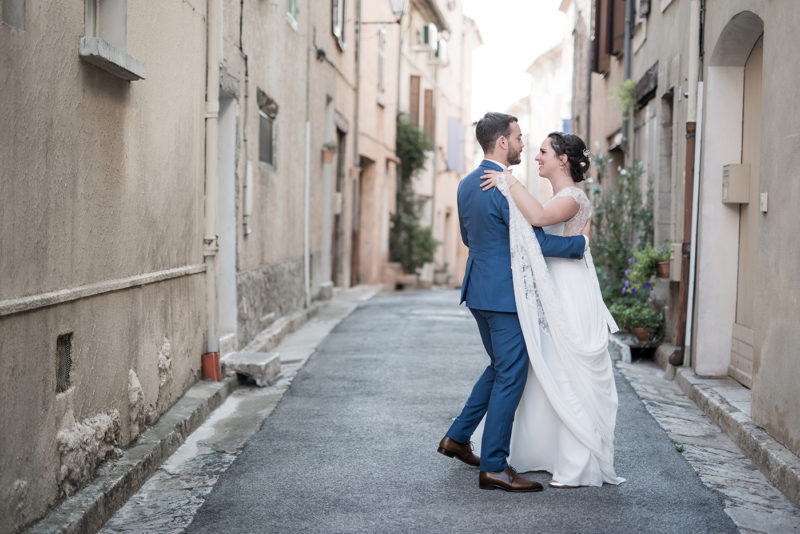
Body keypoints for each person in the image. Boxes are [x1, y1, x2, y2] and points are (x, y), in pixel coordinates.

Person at [437, 113, 589, 493]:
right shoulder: (505, 187)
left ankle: (457, 437)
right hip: (505, 297)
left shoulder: (466, 183)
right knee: (511, 373)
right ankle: (494, 467)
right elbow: (533, 243)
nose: (524, 145)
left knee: (499, 366)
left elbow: (469, 237)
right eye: (519, 138)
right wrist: (579, 245)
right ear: (502, 142)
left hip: (477, 291)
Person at [478, 131, 624, 488]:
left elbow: (540, 220)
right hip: (553, 285)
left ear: (563, 159)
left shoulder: (573, 197)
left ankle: (576, 463)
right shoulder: (562, 196)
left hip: (569, 290)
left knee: (565, 369)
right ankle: (545, 452)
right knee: (548, 369)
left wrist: (508, 182)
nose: (536, 156)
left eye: (543, 151)